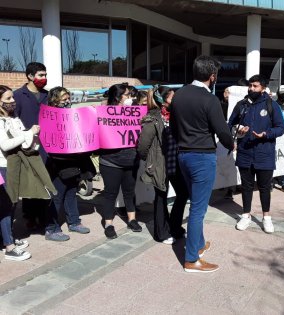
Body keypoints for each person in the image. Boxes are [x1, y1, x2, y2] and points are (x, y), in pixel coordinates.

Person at [170, 55, 234, 273]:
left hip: (183, 155)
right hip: (202, 157)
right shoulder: (210, 100)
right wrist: (232, 142)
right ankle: (191, 260)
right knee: (198, 209)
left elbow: (173, 127)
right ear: (212, 76)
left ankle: (197, 244)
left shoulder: (178, 95)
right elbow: (222, 130)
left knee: (194, 204)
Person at [228, 75, 284, 233]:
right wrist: (237, 130)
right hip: (245, 153)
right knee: (246, 186)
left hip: (264, 154)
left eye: (255, 86)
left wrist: (266, 134)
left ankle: (266, 217)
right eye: (250, 86)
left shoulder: (271, 105)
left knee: (264, 187)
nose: (251, 88)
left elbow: (281, 128)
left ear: (263, 88)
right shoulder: (242, 105)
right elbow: (230, 124)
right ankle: (245, 215)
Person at [137, 85, 189, 244]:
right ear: (162, 100)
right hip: (160, 165)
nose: (176, 100)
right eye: (172, 97)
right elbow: (142, 146)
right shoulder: (152, 118)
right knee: (161, 198)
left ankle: (174, 226)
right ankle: (161, 233)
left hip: (176, 163)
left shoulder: (176, 115)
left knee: (183, 193)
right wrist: (152, 161)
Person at [44, 87, 94, 241]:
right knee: (57, 196)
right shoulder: (48, 117)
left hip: (74, 162)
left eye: (68, 98)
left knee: (72, 193)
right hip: (57, 163)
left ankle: (74, 222)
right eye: (63, 98)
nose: (67, 101)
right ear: (54, 100)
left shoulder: (73, 115)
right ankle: (51, 229)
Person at [99, 83, 142, 239]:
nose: (130, 98)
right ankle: (109, 223)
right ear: (118, 97)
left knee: (130, 192)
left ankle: (132, 219)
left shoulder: (135, 112)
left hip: (131, 160)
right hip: (111, 162)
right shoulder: (104, 113)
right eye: (127, 95)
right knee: (111, 194)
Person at [13, 62, 49, 230]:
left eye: (45, 75)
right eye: (41, 75)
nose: (44, 78)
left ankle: (43, 217)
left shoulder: (47, 95)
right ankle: (29, 217)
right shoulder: (18, 96)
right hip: (27, 147)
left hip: (46, 146)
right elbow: (13, 122)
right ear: (29, 76)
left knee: (44, 183)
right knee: (30, 183)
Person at [0, 85, 32, 261]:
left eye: (12, 98)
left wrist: (29, 137)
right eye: (8, 99)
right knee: (5, 206)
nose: (13, 101)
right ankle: (9, 247)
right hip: (3, 167)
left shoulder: (13, 118)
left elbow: (22, 140)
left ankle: (8, 237)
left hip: (14, 165)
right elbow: (5, 145)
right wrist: (28, 135)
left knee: (12, 204)